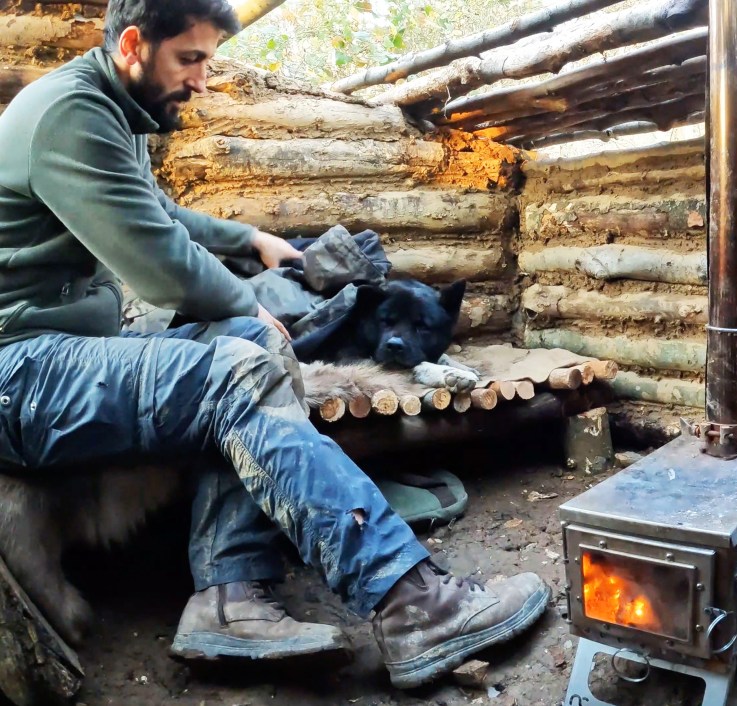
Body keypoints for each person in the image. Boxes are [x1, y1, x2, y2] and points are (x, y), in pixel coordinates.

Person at [0, 0, 549, 689]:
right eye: (190, 59)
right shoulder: (68, 116)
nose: (202, 80)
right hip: (19, 372)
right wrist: (251, 308)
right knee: (242, 359)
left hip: (53, 358)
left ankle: (230, 595)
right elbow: (159, 266)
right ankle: (412, 602)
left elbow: (157, 212)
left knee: (238, 343)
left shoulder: (114, 110)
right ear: (135, 44)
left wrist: (249, 240)